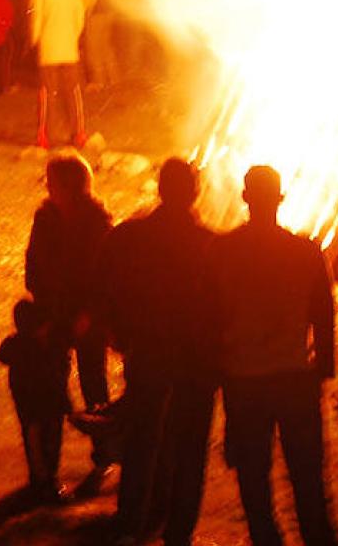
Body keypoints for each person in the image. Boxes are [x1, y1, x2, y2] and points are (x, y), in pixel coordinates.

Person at [99, 157, 223, 546]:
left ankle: (131, 521)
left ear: (159, 188)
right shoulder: (212, 246)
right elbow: (224, 308)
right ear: (195, 192)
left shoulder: (129, 237)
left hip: (149, 351)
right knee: (189, 446)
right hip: (196, 362)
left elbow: (104, 286)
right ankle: (178, 530)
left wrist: (118, 333)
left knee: (143, 439)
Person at [220, 166, 338, 546]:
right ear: (281, 199)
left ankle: (266, 539)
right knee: (307, 475)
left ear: (245, 198)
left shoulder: (225, 253)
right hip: (294, 377)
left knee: (253, 475)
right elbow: (323, 311)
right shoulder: (304, 252)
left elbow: (211, 315)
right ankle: (317, 539)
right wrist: (323, 366)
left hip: (245, 378)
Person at [27, 151, 116, 479]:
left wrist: (90, 314)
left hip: (86, 318)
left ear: (71, 187)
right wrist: (45, 313)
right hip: (55, 312)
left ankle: (103, 456)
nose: (48, 188)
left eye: (53, 183)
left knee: (94, 385)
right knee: (51, 386)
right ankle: (48, 464)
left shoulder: (96, 221)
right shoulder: (46, 217)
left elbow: (105, 275)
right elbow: (33, 265)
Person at [0, 298, 71, 503]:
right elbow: (57, 378)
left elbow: (3, 356)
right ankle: (45, 480)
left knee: (38, 440)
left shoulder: (21, 344)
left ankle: (42, 479)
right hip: (39, 403)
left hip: (32, 404)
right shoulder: (42, 348)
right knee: (44, 440)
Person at [29, 0, 87, 148]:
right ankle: (78, 133)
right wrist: (72, 37)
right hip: (69, 49)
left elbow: (35, 22)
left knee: (47, 94)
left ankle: (44, 136)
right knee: (73, 92)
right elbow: (80, 19)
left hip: (48, 50)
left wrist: (34, 41)